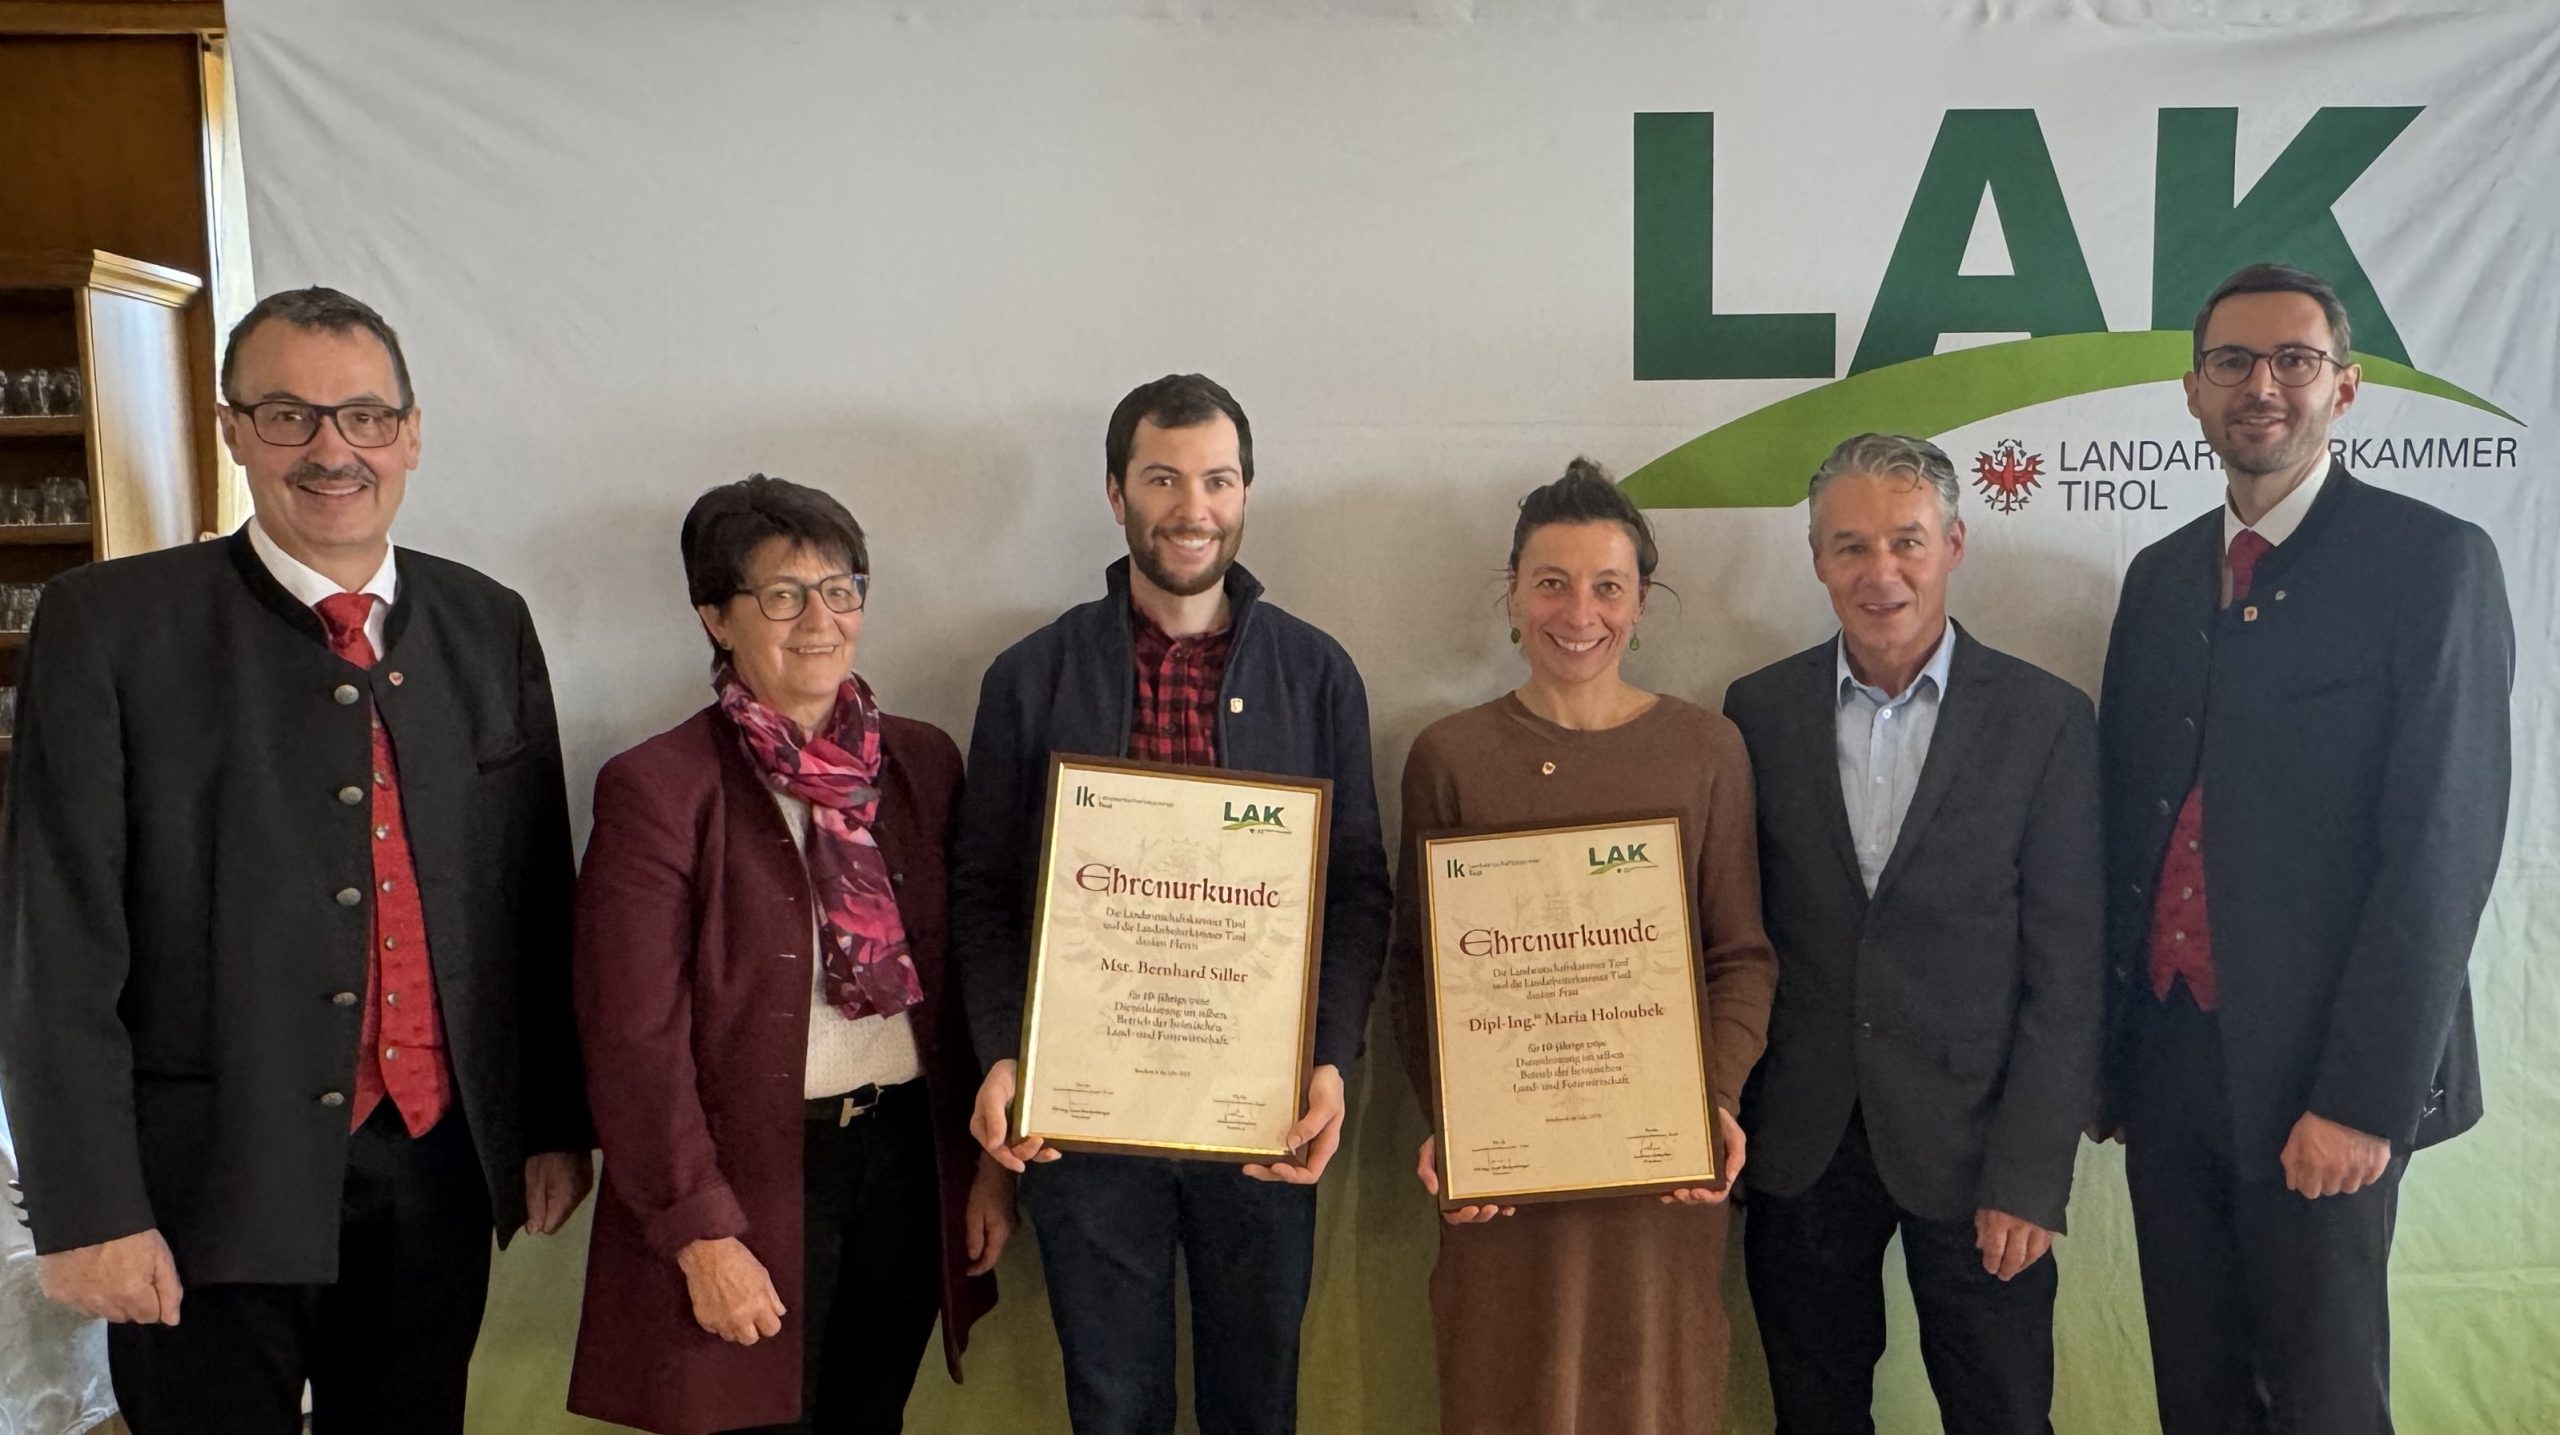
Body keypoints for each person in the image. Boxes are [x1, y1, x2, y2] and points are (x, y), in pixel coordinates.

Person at [0, 287, 594, 1433]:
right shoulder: (110, 626)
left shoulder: (487, 622)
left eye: (365, 416)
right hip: (202, 1180)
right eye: (289, 415)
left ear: (410, 434)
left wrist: (547, 1121)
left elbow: (527, 897)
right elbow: (54, 943)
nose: (333, 450)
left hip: (436, 1166)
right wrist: (88, 1210)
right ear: (233, 430)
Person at [2098, 263, 2513, 1434]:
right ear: (2192, 389)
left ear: (2346, 385)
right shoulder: (2159, 576)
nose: (2262, 386)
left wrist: (2363, 1100)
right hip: (2167, 1060)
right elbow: (2126, 817)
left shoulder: (2429, 561)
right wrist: (2108, 1064)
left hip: (2321, 1077)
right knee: (2196, 1391)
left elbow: (2440, 851)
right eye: (2231, 361)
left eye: (2293, 359)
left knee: (2322, 1397)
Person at [951, 373, 1392, 1435]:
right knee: (1112, 1405)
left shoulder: (1317, 674)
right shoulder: (1031, 676)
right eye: (1162, 479)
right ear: (1115, 494)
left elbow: (1355, 889)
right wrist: (1005, 1052)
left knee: (1258, 1402)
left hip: (1261, 1115)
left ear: (1245, 494)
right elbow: (983, 892)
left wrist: (1329, 1056)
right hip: (1085, 1123)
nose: (1193, 507)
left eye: (1217, 480)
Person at [567, 475, 1012, 1434]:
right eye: (782, 594)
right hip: (749, 1178)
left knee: (870, 1417)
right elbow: (633, 1038)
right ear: (716, 616)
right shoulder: (658, 788)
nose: (820, 619)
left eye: (841, 589)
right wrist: (699, 1234)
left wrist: (988, 1168)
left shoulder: (923, 763)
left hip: (905, 1163)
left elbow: (966, 975)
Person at [1721, 433, 2103, 1435]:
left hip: (1980, 1151)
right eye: (1849, 545)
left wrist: (2031, 1174)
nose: (1878, 571)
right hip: (1801, 1143)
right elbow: (1737, 935)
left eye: (1906, 541)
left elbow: (2068, 971)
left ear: (1954, 544)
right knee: (1813, 1416)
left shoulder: (2045, 720)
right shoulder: (1755, 713)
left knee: (2002, 1414)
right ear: (1816, 557)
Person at [1387, 458, 1777, 1433]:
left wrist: (1713, 1098)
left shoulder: (1706, 749)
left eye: (1607, 586)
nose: (1579, 612)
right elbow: (1418, 973)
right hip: (1504, 1178)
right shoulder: (1450, 755)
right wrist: (1459, 1123)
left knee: (1651, 1393)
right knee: (1501, 1388)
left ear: (1641, 602)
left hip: (1661, 1169)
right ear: (1512, 595)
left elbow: (1739, 955)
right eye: (1552, 582)